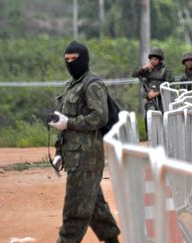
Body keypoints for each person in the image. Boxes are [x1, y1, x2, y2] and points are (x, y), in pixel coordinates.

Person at [48, 41, 120, 243]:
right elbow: (63, 123)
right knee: (97, 209)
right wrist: (59, 152)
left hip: (87, 159)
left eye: (74, 59)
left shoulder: (92, 84)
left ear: (84, 59)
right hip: (75, 158)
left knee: (75, 211)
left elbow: (100, 117)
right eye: (67, 59)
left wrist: (69, 123)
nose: (70, 63)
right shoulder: (71, 86)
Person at [132, 47, 174, 113]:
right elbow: (134, 74)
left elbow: (170, 86)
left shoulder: (166, 71)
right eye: (151, 59)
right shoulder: (147, 70)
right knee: (149, 120)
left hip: (162, 101)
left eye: (155, 59)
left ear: (160, 60)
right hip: (150, 101)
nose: (153, 61)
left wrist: (156, 93)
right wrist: (144, 67)